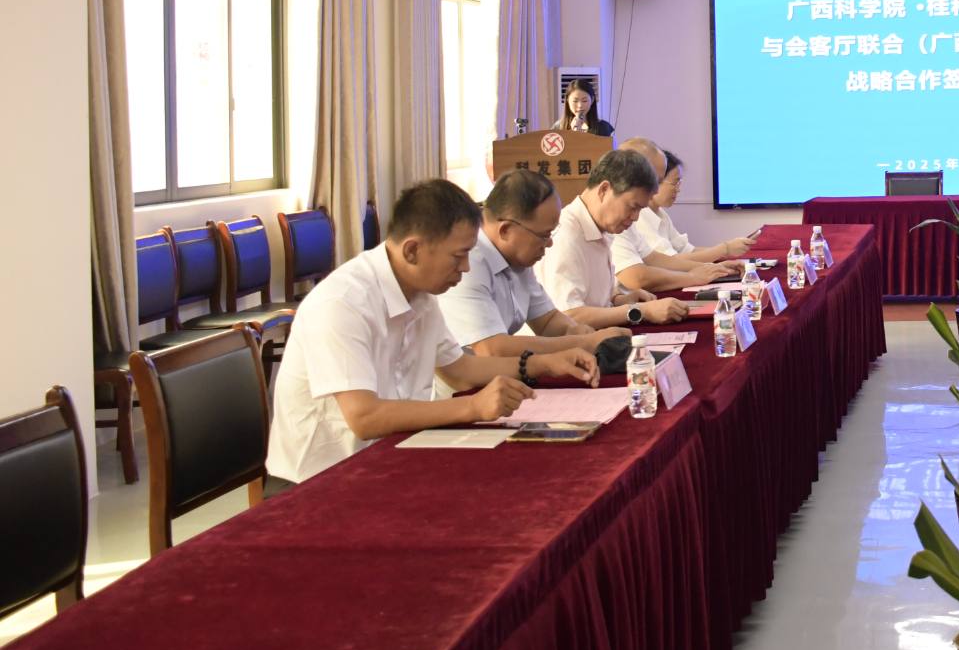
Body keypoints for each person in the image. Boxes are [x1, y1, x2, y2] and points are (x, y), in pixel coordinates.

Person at [267, 179, 600, 483]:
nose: (466, 268)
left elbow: (460, 371)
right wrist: (474, 407)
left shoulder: (422, 295)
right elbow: (364, 417)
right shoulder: (343, 302)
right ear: (412, 250)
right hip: (320, 481)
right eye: (459, 256)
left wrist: (544, 363)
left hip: (389, 459)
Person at [438, 169, 634, 356]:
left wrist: (578, 331)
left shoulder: (517, 258)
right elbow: (491, 349)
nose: (549, 243)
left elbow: (548, 321)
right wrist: (583, 343)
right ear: (506, 230)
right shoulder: (468, 262)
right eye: (544, 235)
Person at [538, 148, 690, 326]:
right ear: (604, 190)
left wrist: (620, 300)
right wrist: (640, 311)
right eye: (632, 207)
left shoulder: (601, 227)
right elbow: (569, 316)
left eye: (640, 209)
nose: (635, 218)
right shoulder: (566, 236)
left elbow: (595, 299)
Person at [607, 138, 735, 292]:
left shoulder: (637, 215)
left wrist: (711, 267)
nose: (655, 189)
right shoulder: (620, 217)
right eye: (656, 181)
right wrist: (694, 276)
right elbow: (636, 278)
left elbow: (656, 259)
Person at [640, 150, 755, 265]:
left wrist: (727, 251)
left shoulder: (660, 214)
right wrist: (725, 249)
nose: (678, 189)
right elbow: (670, 262)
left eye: (679, 183)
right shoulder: (641, 217)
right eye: (674, 183)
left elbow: (688, 251)